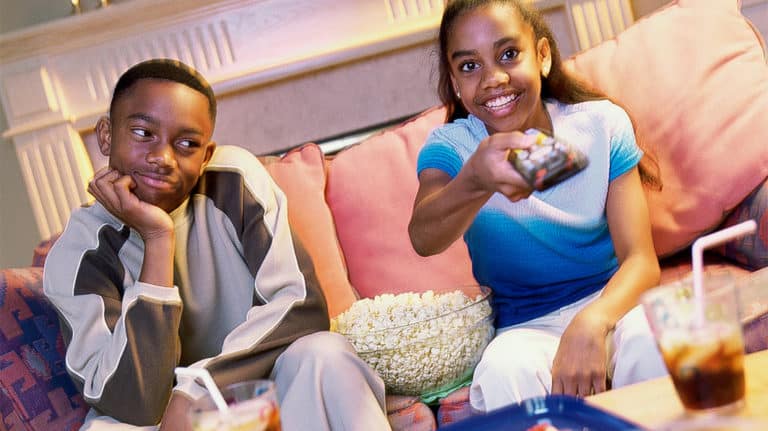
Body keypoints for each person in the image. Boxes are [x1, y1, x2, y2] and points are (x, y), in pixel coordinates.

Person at [43, 59, 390, 431]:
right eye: (143, 133)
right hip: (162, 422)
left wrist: (197, 389)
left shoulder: (234, 181)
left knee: (325, 354)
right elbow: (134, 402)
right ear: (107, 135)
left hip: (262, 399)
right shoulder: (78, 252)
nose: (162, 158)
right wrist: (157, 238)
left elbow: (302, 308)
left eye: (187, 143)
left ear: (206, 155)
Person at [408, 0, 667, 413]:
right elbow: (423, 237)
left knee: (655, 335)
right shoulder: (453, 148)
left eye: (508, 54)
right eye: (469, 66)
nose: (493, 79)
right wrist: (475, 179)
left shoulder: (600, 124)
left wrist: (592, 322)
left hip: (612, 305)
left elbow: (641, 261)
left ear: (542, 56)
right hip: (526, 329)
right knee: (504, 371)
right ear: (455, 83)